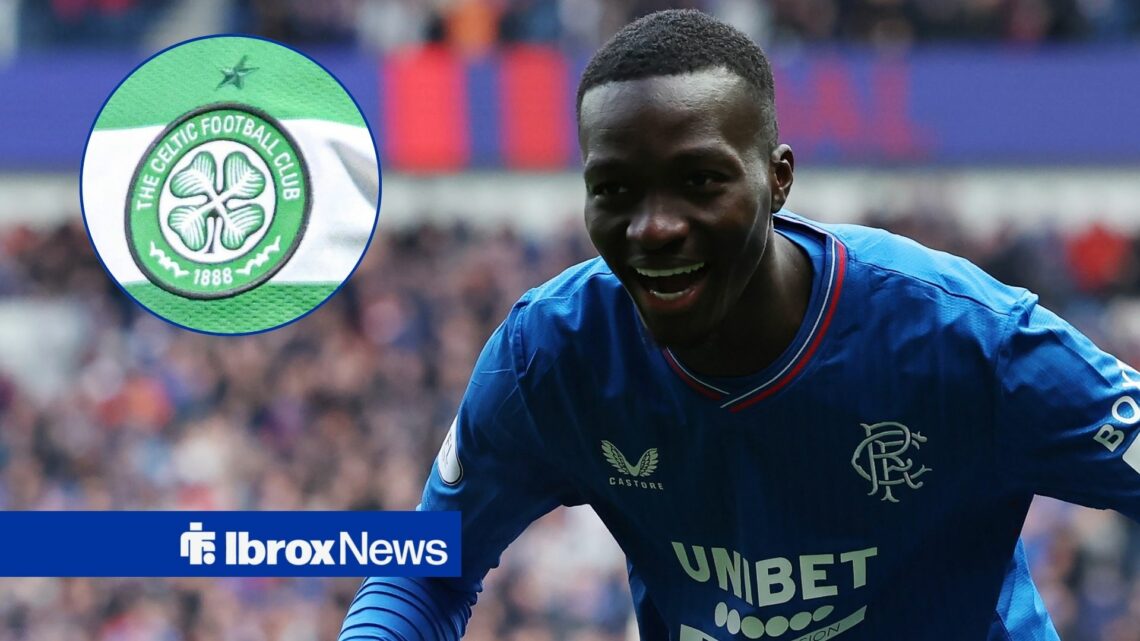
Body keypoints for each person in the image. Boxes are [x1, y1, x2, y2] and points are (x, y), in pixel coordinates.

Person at [340, 9, 1140, 641]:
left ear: (778, 178)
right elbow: (424, 569)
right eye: (615, 190)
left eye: (700, 181)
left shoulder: (964, 339)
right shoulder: (552, 356)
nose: (654, 227)